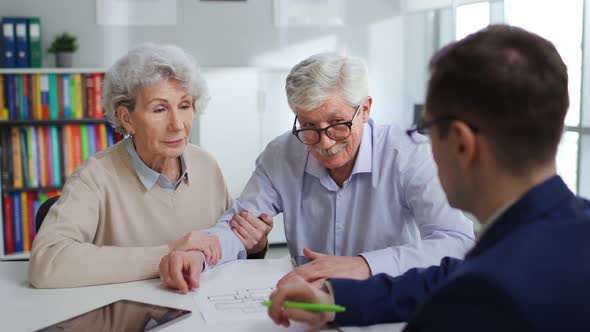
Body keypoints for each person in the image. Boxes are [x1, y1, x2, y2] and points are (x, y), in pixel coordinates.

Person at [266, 25, 590, 331]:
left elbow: (463, 287)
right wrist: (336, 299)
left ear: (462, 143)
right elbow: (445, 277)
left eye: (428, 129)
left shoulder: (482, 299)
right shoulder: (569, 229)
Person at [210, 52, 474, 286]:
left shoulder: (410, 155)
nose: (324, 142)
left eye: (338, 123)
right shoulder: (281, 154)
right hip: (309, 304)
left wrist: (364, 264)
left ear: (365, 110)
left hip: (387, 303)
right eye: (309, 126)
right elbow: (236, 226)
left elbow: (456, 242)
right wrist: (199, 254)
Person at [29, 43, 242, 292]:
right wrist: (165, 255)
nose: (177, 125)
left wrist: (255, 245)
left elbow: (229, 244)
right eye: (160, 109)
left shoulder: (207, 165)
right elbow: (46, 264)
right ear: (126, 118)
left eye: (184, 106)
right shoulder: (94, 177)